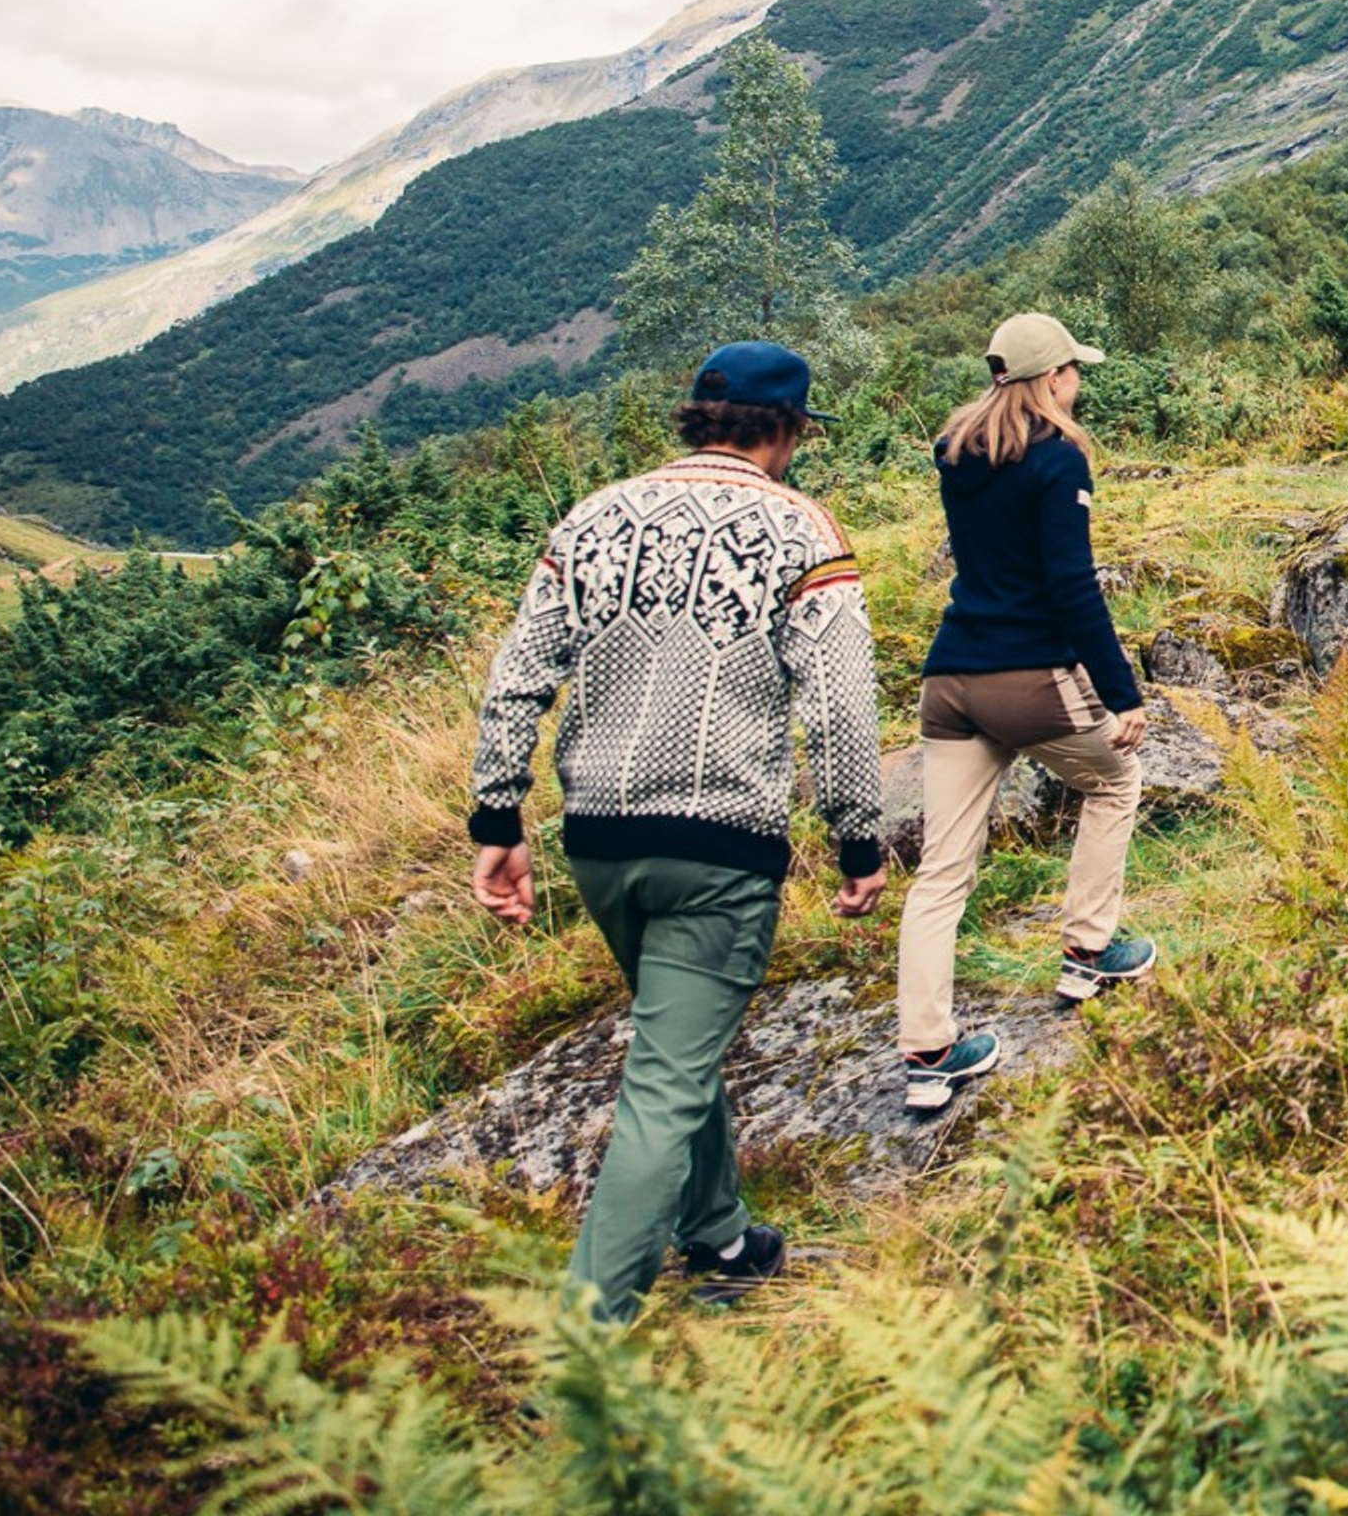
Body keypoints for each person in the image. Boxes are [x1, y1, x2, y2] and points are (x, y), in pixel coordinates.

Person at [467, 341, 884, 1319]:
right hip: (719, 847)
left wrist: (498, 816)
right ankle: (584, 1348)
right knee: (662, 1085)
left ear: (701, 418)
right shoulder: (802, 533)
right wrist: (858, 842)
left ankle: (720, 1233)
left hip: (600, 841)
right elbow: (839, 709)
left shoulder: (593, 518)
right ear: (785, 430)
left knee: (673, 1042)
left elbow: (517, 672)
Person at [897, 309, 1161, 1115]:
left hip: (950, 682)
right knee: (1116, 782)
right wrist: (1123, 694)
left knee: (941, 873)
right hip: (1031, 678)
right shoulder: (1057, 460)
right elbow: (1071, 587)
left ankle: (929, 1054)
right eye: (1074, 370)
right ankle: (1088, 950)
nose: (1079, 382)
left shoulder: (955, 453)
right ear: (1051, 379)